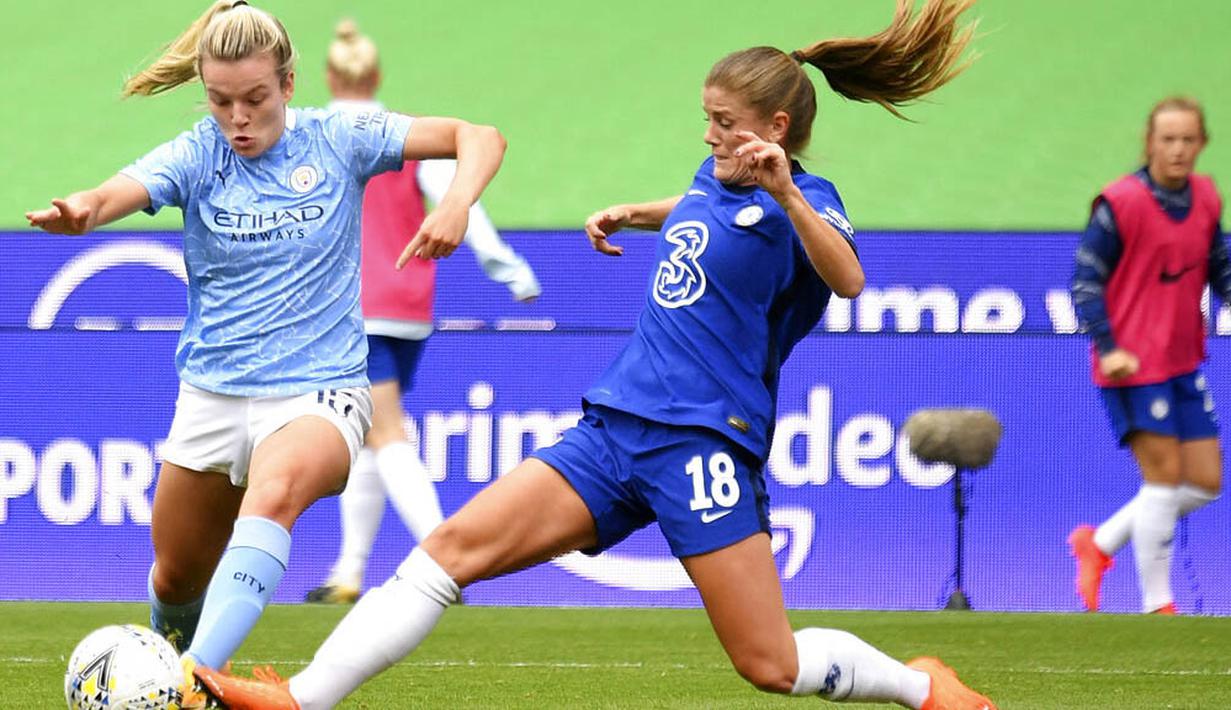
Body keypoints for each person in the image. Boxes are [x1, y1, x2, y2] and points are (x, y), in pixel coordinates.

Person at [195, 1, 995, 708]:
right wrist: (639, 213)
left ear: (775, 131)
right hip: (615, 430)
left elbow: (848, 279)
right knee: (448, 551)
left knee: (770, 664)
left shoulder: (806, 203)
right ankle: (301, 699)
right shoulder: (715, 179)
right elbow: (702, 205)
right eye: (706, 117)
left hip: (703, 444)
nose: (707, 133)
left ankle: (923, 686)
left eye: (722, 121)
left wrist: (786, 191)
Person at [25, 0, 505, 704]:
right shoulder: (197, 153)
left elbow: (478, 135)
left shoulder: (341, 136)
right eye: (221, 101)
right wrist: (83, 210)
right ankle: (174, 657)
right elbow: (110, 195)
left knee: (274, 495)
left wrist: (457, 201)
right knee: (175, 579)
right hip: (213, 393)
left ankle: (185, 685)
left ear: (286, 83)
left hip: (321, 389)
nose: (238, 117)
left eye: (255, 98)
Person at [304, 19, 541, 605]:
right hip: (408, 305)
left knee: (383, 432)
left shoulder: (314, 135)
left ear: (327, 75)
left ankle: (443, 558)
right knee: (364, 436)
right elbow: (463, 199)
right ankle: (348, 575)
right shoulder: (401, 136)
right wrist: (506, 267)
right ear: (377, 74)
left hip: (350, 308)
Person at [1068, 97, 1226, 615]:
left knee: (1205, 482)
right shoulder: (1121, 203)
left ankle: (1101, 543)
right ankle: (1158, 606)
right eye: (1168, 139)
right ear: (1149, 143)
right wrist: (1108, 348)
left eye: (1187, 140)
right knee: (1160, 481)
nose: (1178, 150)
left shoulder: (1205, 198)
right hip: (1132, 363)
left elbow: (1219, 265)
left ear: (1201, 144)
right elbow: (1085, 282)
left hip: (1182, 359)